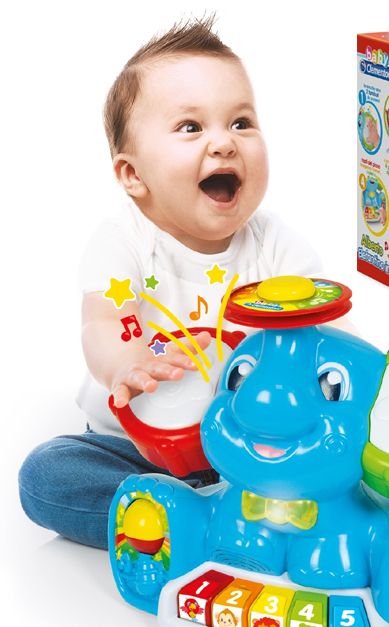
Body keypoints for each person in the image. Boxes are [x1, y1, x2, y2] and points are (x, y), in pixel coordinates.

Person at [18, 17, 324, 549]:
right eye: (190, 127)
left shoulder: (274, 244)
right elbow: (104, 319)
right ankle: (202, 520)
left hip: (246, 451)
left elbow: (323, 330)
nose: (224, 142)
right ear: (133, 175)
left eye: (242, 122)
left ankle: (199, 517)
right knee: (47, 475)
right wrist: (126, 361)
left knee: (335, 454)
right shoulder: (126, 240)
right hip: (134, 448)